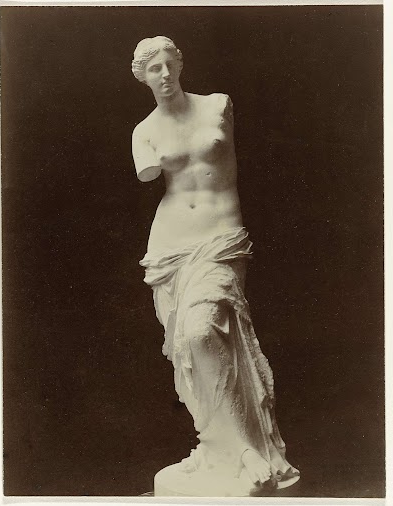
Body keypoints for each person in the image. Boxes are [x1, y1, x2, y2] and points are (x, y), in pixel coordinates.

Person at [131, 36, 299, 493]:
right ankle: (227, 447)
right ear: (142, 78)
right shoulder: (144, 132)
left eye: (170, 63)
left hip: (220, 239)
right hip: (170, 249)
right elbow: (148, 172)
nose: (165, 74)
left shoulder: (218, 105)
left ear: (180, 63)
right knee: (189, 348)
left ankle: (244, 446)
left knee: (202, 332)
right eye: (154, 69)